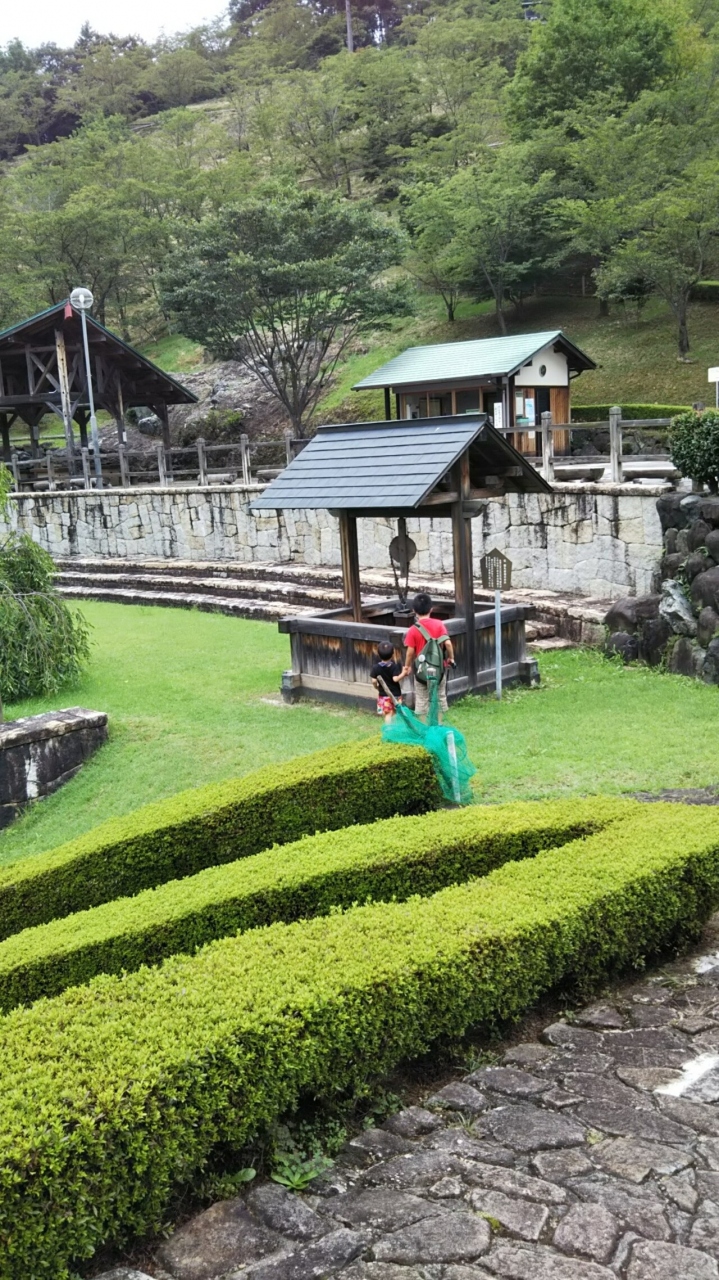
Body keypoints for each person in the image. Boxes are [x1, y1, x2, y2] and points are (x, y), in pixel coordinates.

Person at [399, 592, 455, 721]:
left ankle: (424, 727)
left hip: (421, 672)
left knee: (422, 700)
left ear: (414, 611)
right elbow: (448, 643)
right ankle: (439, 725)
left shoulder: (413, 630)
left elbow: (410, 652)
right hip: (438, 670)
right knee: (440, 697)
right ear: (431, 609)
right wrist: (451, 658)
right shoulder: (439, 624)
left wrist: (407, 666)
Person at [371, 640, 403, 719]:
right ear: (393, 654)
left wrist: (376, 687)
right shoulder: (394, 667)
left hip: (384, 695)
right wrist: (403, 674)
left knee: (388, 714)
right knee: (395, 713)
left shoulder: (375, 668)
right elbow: (395, 679)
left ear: (378, 654)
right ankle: (394, 726)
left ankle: (388, 727)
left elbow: (374, 681)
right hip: (396, 695)